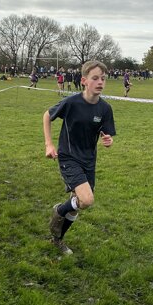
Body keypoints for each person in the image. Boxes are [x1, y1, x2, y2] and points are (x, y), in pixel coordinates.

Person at [43, 60, 116, 255]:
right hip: (68, 157)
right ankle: (59, 210)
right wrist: (49, 144)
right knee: (87, 199)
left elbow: (107, 134)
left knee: (79, 205)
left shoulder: (105, 109)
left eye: (103, 79)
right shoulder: (71, 102)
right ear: (84, 81)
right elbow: (47, 116)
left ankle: (57, 239)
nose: (100, 82)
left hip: (89, 160)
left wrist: (108, 140)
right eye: (95, 78)